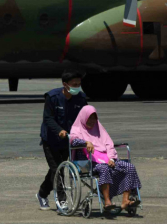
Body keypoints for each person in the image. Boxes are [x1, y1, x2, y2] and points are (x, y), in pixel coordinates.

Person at [70, 105, 142, 212]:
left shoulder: (99, 128)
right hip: (87, 163)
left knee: (129, 167)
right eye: (89, 118)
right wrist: (86, 142)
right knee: (104, 169)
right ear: (84, 117)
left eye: (94, 118)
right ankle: (107, 201)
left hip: (106, 159)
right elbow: (73, 141)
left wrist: (112, 158)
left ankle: (125, 200)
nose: (92, 121)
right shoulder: (76, 128)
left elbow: (109, 144)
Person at [36, 69, 88, 211]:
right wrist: (59, 130)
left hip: (69, 140)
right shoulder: (52, 97)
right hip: (51, 140)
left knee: (58, 168)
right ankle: (62, 201)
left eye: (79, 84)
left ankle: (42, 193)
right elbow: (48, 118)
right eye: (74, 84)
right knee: (58, 170)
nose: (77, 87)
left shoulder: (81, 98)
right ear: (65, 84)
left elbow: (85, 118)